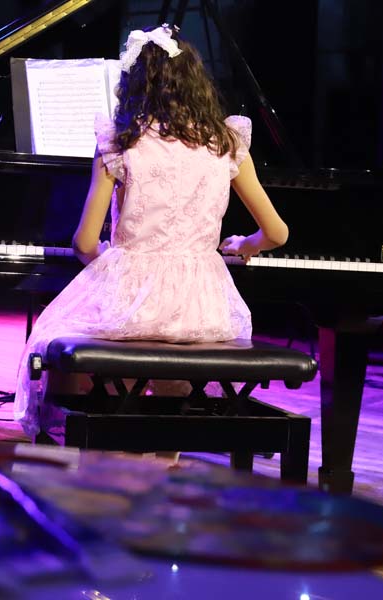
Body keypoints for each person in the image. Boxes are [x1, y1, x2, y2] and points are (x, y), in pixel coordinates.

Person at [14, 24, 289, 437]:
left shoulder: (119, 142)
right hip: (203, 308)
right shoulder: (227, 143)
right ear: (196, 84)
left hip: (135, 301)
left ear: (134, 86)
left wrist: (107, 259)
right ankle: (165, 451)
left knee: (53, 333)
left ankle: (84, 437)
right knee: (167, 353)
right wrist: (244, 245)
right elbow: (277, 233)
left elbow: (84, 242)